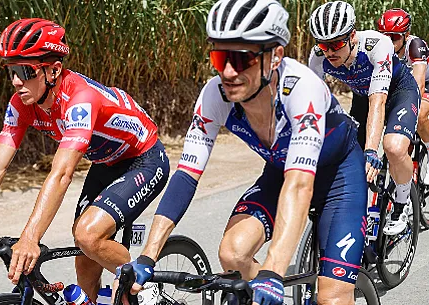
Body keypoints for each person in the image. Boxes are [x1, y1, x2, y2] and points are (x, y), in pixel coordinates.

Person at [113, 0, 367, 304]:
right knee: (233, 253)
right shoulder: (215, 95)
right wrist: (147, 257)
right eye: (220, 57)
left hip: (338, 176)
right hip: (281, 173)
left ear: (275, 57)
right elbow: (186, 176)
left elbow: (300, 186)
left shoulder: (302, 89)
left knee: (333, 297)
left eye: (242, 59)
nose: (229, 72)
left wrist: (273, 272)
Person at [0, 18, 170, 301]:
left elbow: (61, 173)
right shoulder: (21, 103)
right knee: (85, 260)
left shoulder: (79, 99)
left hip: (143, 158)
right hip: (106, 163)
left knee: (88, 236)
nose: (16, 81)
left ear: (54, 70)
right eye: (10, 71)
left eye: (24, 70)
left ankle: (144, 285)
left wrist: (30, 237)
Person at [308, 1, 421, 235]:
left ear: (351, 36)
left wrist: (371, 150)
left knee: (393, 146)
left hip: (398, 92)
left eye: (336, 44)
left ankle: (401, 202)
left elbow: (378, 101)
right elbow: (313, 104)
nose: (329, 52)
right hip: (362, 96)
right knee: (347, 156)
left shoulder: (376, 45)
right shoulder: (318, 56)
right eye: (323, 44)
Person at [377, 8, 429, 179]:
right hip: (401, 87)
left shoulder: (415, 46)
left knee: (420, 114)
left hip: (425, 84)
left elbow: (418, 84)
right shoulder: (379, 48)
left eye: (394, 37)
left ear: (406, 34)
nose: (389, 42)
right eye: (385, 36)